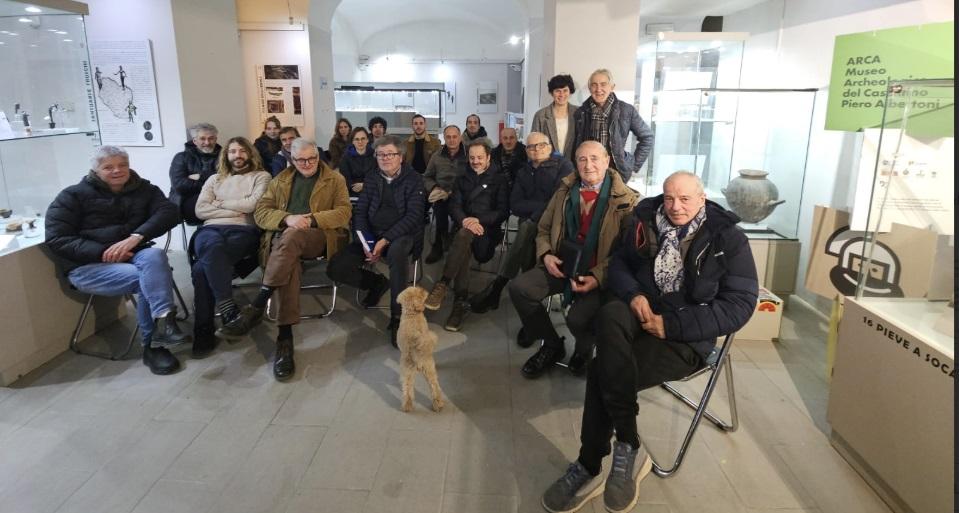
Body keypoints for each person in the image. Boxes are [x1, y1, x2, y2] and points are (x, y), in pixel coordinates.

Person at [540, 171, 758, 513]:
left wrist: (670, 325)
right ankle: (628, 443)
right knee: (610, 315)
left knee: (601, 371)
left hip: (686, 336)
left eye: (685, 199)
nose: (675, 207)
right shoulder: (647, 217)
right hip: (640, 311)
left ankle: (590, 464)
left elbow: (740, 305)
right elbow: (622, 264)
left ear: (702, 199)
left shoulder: (727, 239)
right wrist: (634, 294)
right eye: (669, 198)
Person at [45, 146, 187, 375]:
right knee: (148, 279)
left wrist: (136, 237)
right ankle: (154, 343)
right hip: (88, 266)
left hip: (134, 255)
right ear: (95, 170)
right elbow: (57, 238)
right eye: (108, 167)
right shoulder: (72, 196)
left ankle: (162, 323)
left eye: (122, 165)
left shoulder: (144, 189)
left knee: (155, 255)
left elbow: (169, 212)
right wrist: (104, 252)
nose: (117, 171)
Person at [509, 141, 638, 378]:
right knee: (519, 288)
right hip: (561, 265)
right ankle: (551, 344)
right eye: (582, 159)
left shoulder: (627, 202)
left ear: (607, 161)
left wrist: (597, 277)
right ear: (575, 163)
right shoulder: (564, 191)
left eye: (594, 158)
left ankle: (584, 349)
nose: (588, 165)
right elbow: (544, 228)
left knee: (577, 318)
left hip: (599, 274)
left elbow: (626, 254)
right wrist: (546, 255)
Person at [242, 138, 352, 381]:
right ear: (291, 159)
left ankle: (259, 301)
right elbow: (261, 212)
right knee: (289, 259)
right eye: (301, 159)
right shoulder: (280, 180)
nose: (307, 163)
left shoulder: (335, 179)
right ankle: (285, 338)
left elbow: (344, 212)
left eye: (312, 158)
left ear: (318, 155)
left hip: (319, 235)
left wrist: (311, 220)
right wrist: (287, 219)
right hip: (285, 240)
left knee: (292, 239)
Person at [327, 135, 426, 347]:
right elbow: (360, 212)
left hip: (403, 236)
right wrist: (366, 241)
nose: (385, 158)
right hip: (372, 234)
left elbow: (414, 217)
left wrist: (385, 241)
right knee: (336, 267)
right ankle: (377, 283)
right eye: (380, 154)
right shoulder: (372, 177)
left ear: (401, 156)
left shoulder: (414, 179)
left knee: (397, 255)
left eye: (390, 154)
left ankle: (398, 318)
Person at [469, 132, 573, 314]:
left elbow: (559, 200)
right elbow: (515, 204)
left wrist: (535, 213)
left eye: (540, 145)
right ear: (526, 150)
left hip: (558, 222)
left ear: (549, 147)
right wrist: (539, 210)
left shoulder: (563, 166)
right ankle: (530, 304)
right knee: (527, 241)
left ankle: (498, 287)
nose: (536, 149)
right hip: (531, 223)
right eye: (531, 146)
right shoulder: (524, 171)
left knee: (526, 229)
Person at [190, 136, 271, 357]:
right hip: (209, 230)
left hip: (243, 231)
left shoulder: (261, 176)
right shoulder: (214, 179)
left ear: (250, 154)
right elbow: (200, 210)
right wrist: (238, 208)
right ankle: (228, 310)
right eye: (233, 151)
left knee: (200, 270)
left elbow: (253, 205)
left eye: (242, 151)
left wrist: (219, 204)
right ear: (226, 155)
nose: (238, 155)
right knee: (210, 251)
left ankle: (203, 331)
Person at [424, 141, 509, 332]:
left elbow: (503, 211)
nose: (475, 161)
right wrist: (465, 221)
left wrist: (476, 220)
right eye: (472, 158)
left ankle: (443, 284)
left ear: (488, 157)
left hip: (487, 233)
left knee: (462, 239)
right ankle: (459, 305)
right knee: (463, 238)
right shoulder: (461, 177)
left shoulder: (500, 179)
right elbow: (454, 206)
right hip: (464, 229)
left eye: (479, 157)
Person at [572, 69, 653, 184]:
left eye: (603, 84)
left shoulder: (626, 110)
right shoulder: (581, 112)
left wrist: (633, 165)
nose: (598, 89)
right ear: (590, 88)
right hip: (589, 171)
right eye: (594, 85)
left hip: (617, 172)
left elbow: (647, 137)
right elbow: (576, 144)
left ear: (612, 86)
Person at [422, 124, 467, 264]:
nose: (452, 140)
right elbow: (426, 176)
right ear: (444, 138)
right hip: (441, 195)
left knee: (459, 214)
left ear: (460, 138)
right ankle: (439, 245)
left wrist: (454, 192)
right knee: (440, 210)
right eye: (448, 137)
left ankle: (455, 242)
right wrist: (435, 188)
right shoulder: (437, 156)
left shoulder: (468, 155)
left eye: (455, 137)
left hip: (462, 195)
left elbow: (473, 178)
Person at [169, 122, 222, 225]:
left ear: (216, 139)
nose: (207, 142)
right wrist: (211, 182)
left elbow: (227, 181)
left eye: (211, 138)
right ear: (194, 140)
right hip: (188, 201)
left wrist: (201, 176)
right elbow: (180, 185)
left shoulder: (224, 157)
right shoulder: (181, 158)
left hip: (218, 200)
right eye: (202, 139)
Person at [530, 74, 579, 158]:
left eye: (565, 90)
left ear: (570, 91)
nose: (561, 94)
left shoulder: (579, 113)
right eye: (557, 91)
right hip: (547, 164)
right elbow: (534, 143)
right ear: (551, 93)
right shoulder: (541, 115)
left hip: (573, 164)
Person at [338, 127, 376, 198]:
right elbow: (345, 180)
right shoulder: (345, 158)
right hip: (352, 194)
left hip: (372, 193)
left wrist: (364, 185)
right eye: (357, 139)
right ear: (352, 141)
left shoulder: (375, 156)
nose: (360, 142)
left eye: (363, 138)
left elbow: (378, 177)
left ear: (367, 140)